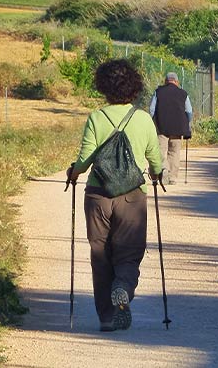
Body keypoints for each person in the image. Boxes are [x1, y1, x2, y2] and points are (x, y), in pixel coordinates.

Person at [67, 59, 162, 332]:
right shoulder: (143, 119)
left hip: (98, 195)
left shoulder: (96, 117)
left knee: (100, 255)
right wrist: (157, 174)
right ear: (134, 86)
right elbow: (154, 158)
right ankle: (122, 287)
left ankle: (107, 318)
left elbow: (85, 159)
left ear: (103, 86)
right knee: (129, 254)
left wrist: (73, 173)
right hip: (132, 196)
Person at [149, 71, 192, 185]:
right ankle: (172, 177)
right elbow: (189, 111)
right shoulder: (183, 93)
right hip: (178, 127)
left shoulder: (158, 92)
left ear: (165, 81)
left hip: (161, 126)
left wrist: (154, 121)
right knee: (174, 151)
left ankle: (163, 169)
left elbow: (152, 110)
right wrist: (188, 123)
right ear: (177, 82)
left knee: (160, 151)